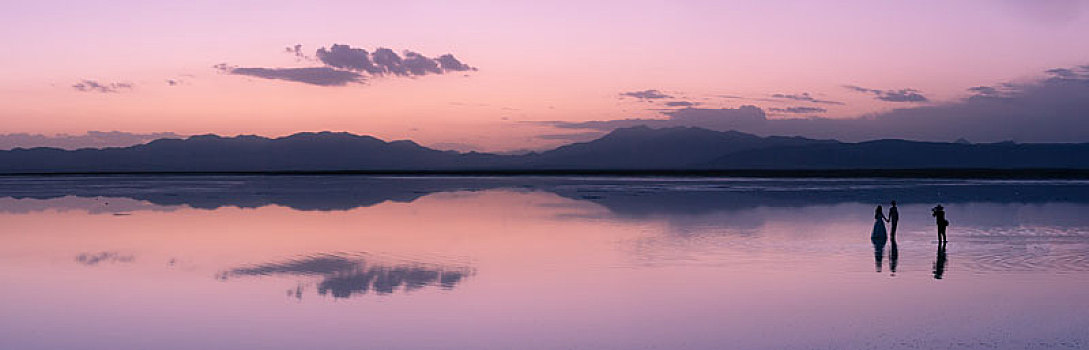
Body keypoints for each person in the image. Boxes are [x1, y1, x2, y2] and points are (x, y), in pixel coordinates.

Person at [871, 205, 889, 272]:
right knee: (881, 230)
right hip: (880, 222)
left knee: (877, 230)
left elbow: (876, 218)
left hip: (878, 223)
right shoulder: (880, 213)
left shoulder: (877, 214)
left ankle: (877, 236)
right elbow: (884, 218)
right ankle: (880, 237)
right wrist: (887, 220)